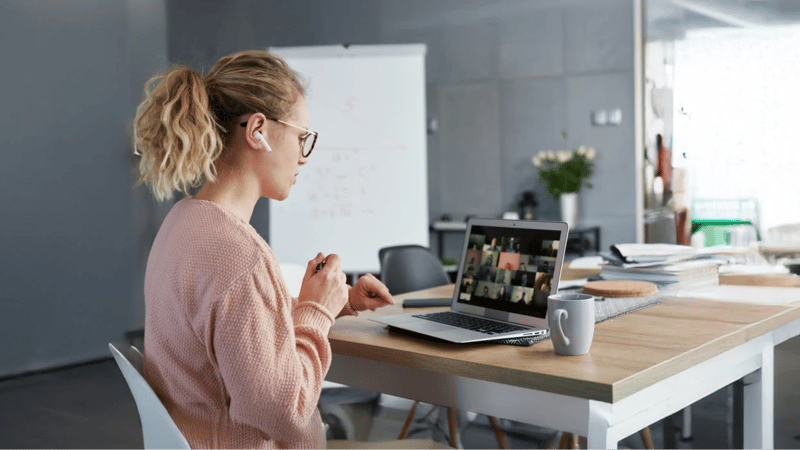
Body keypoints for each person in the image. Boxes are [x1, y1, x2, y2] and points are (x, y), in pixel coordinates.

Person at [133, 50, 416, 450]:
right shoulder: (239, 255)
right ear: (258, 131)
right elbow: (282, 412)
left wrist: (333, 303)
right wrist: (316, 312)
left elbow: (235, 329)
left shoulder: (184, 222)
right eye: (302, 137)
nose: (304, 156)